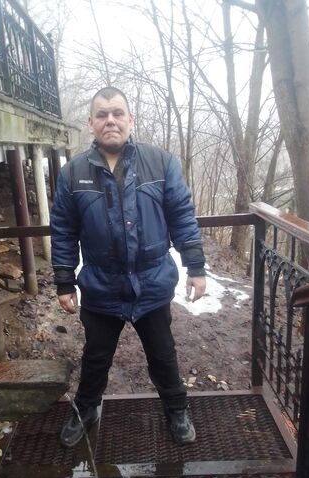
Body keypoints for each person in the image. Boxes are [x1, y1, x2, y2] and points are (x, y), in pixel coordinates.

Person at [51, 87, 206, 448]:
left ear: (130, 119)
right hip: (101, 285)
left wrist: (195, 266)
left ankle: (176, 409)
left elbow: (182, 216)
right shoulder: (73, 173)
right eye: (102, 114)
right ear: (91, 123)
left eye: (118, 113)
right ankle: (86, 409)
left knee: (163, 354)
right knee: (96, 356)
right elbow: (63, 229)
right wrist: (64, 280)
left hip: (152, 282)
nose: (110, 120)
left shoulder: (160, 162)